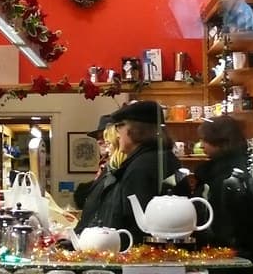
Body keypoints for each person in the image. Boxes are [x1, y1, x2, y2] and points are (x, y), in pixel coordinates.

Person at [190, 115, 253, 274]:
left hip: (226, 241)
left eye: (205, 140)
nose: (201, 145)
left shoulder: (223, 174)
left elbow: (225, 213)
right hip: (239, 240)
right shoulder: (240, 168)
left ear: (220, 141)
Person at [75, 101, 180, 240]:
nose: (117, 135)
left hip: (137, 254)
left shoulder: (141, 166)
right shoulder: (161, 159)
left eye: (119, 127)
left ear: (137, 130)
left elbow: (133, 222)